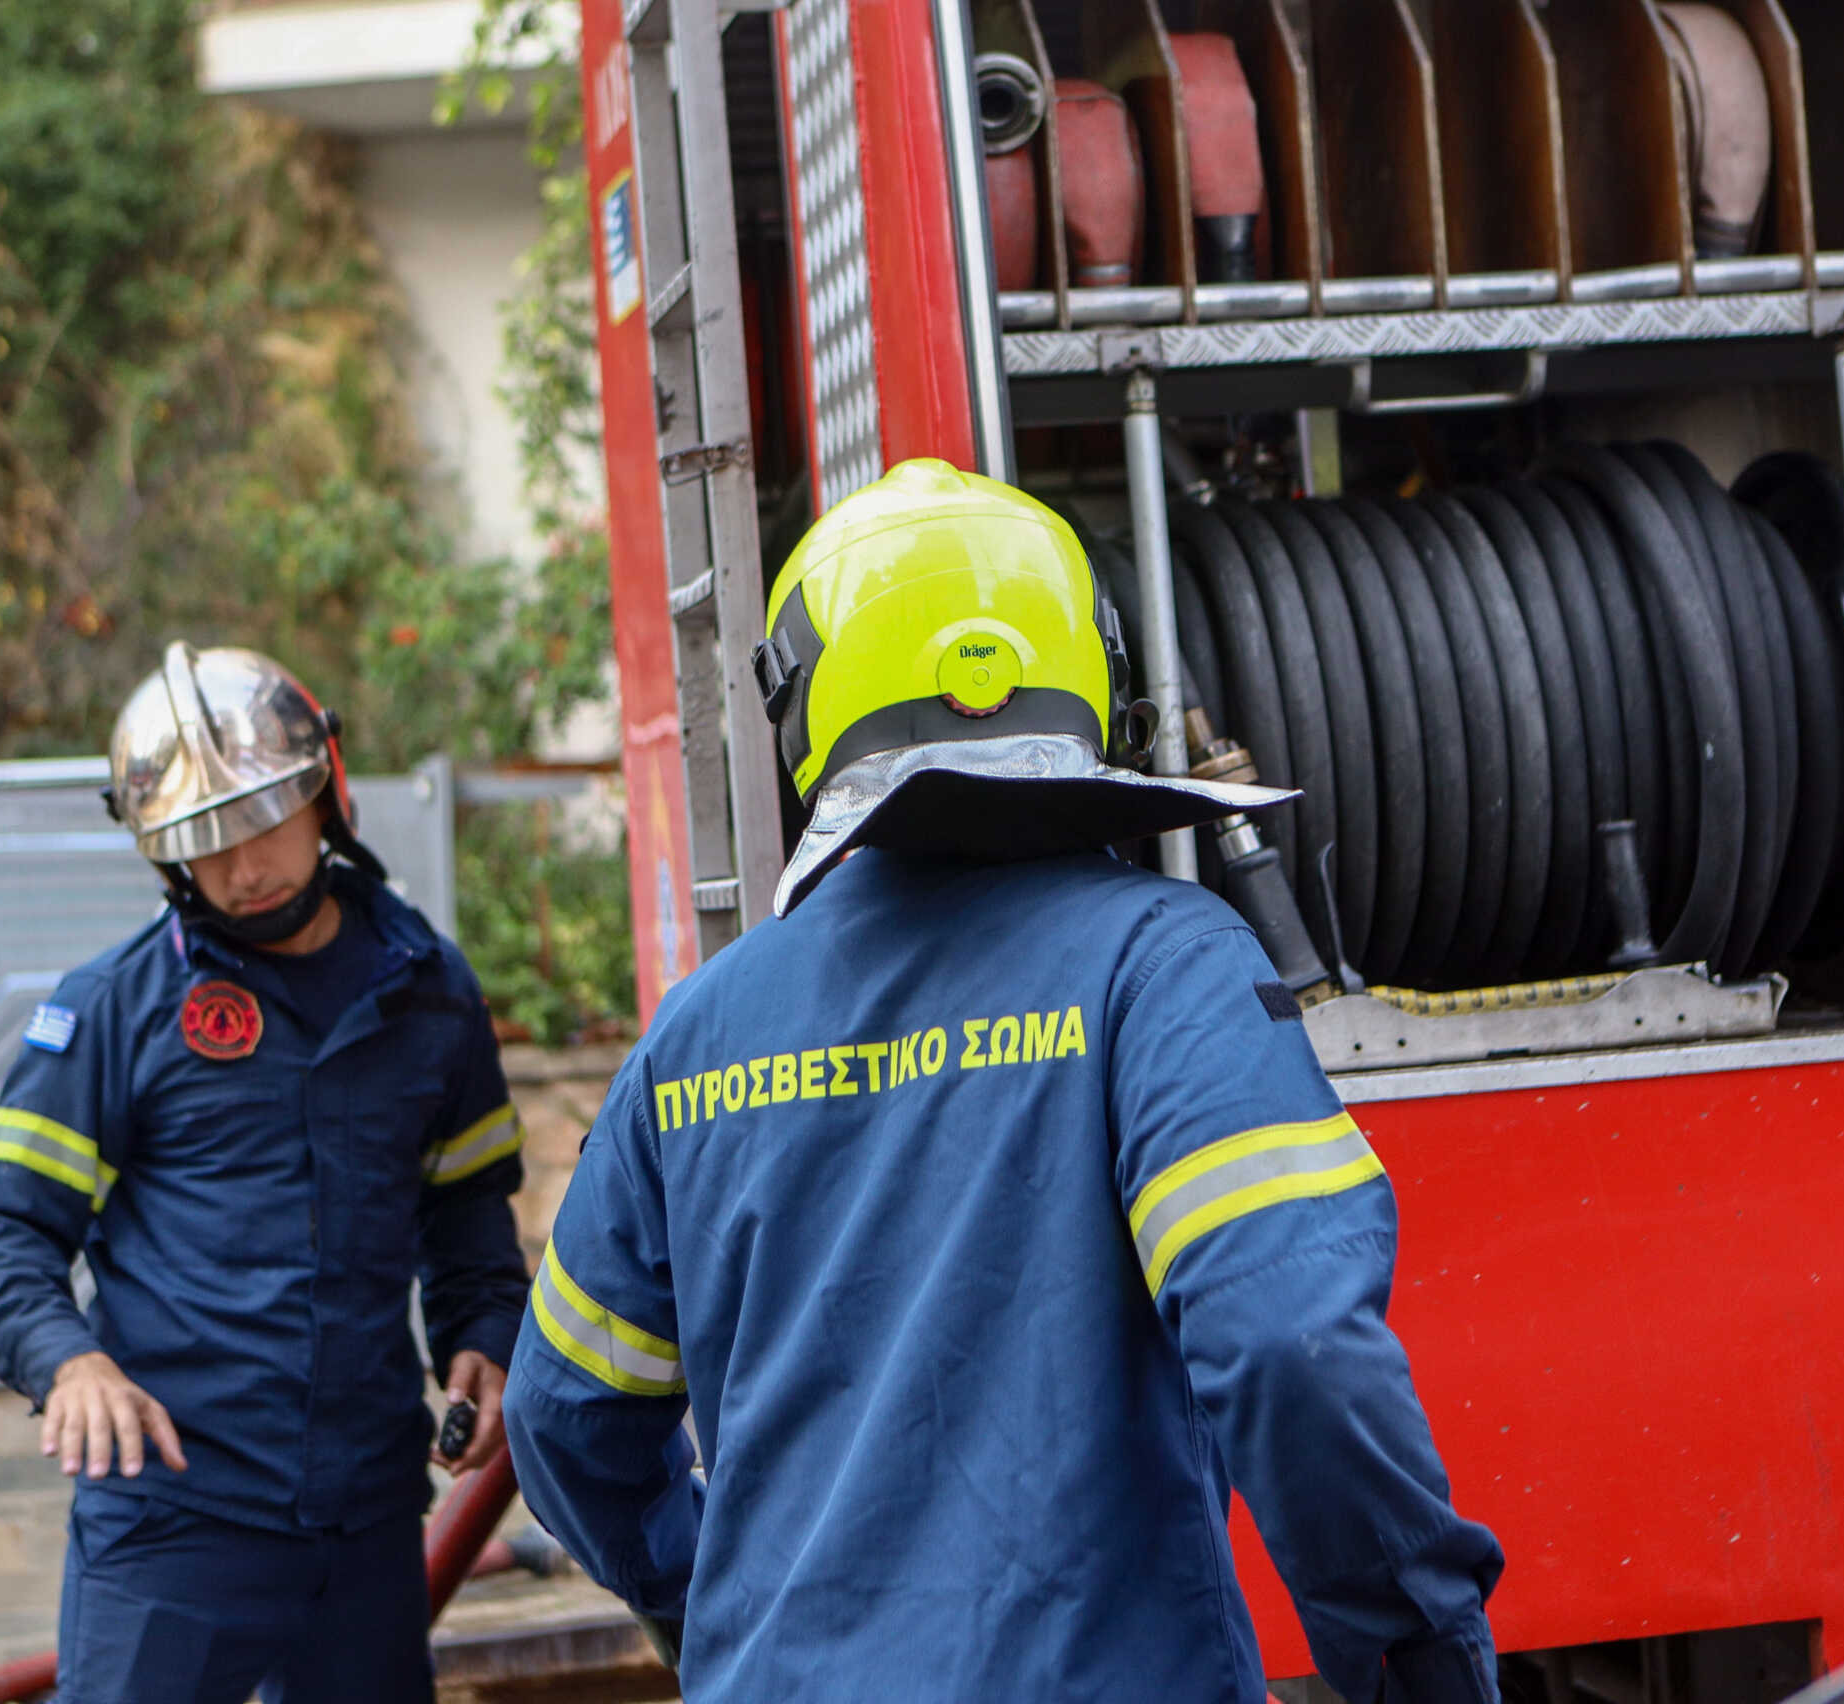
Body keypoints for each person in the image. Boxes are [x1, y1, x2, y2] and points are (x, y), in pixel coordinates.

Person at [504, 460, 1503, 1702]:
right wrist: (1419, 1662)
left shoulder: (697, 1038)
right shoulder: (1162, 971)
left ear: (804, 709)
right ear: (1095, 671)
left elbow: (562, 1418)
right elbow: (1292, 1345)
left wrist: (712, 1590)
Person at [0, 641, 529, 1704]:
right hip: (173, 1516)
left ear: (321, 795)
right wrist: (67, 1363)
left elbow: (467, 1205)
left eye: (258, 823)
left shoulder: (432, 996)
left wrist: (482, 1335)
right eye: (200, 842)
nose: (241, 868)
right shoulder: (115, 1012)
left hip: (366, 1522)